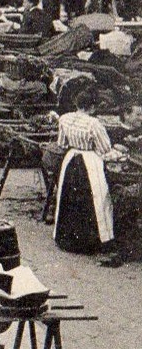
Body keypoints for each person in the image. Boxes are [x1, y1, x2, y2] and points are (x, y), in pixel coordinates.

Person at [51, 89, 116, 254]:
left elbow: (62, 143)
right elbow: (104, 148)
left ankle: (67, 238)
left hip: (71, 159)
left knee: (68, 197)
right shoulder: (94, 124)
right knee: (96, 198)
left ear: (77, 104)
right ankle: (93, 240)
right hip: (89, 161)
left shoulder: (65, 118)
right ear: (92, 107)